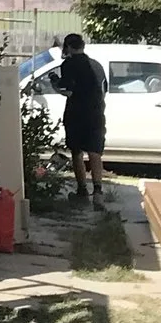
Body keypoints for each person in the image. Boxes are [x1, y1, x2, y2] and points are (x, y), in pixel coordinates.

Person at [54, 33, 108, 200]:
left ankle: (82, 189)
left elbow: (67, 90)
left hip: (76, 113)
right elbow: (104, 88)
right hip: (96, 112)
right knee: (95, 150)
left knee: (76, 151)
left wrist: (54, 81)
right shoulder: (96, 65)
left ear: (68, 47)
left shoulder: (68, 64)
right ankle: (98, 189)